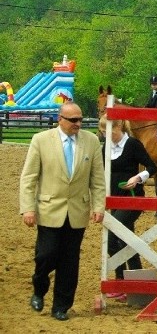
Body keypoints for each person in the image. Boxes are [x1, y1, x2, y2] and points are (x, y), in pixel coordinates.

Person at [20, 102, 106, 321]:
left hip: (77, 210)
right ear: (60, 119)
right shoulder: (40, 140)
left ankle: (61, 306)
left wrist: (98, 206)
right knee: (46, 255)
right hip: (49, 209)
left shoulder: (92, 141)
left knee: (70, 261)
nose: (78, 124)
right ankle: (39, 289)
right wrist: (28, 208)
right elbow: (29, 178)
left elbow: (97, 179)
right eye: (73, 120)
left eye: (80, 119)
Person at [99, 116, 157, 300]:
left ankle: (121, 281)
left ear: (118, 126)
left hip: (132, 198)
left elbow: (152, 166)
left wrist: (138, 178)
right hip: (114, 199)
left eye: (109, 130)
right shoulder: (106, 147)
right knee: (126, 240)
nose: (106, 135)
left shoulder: (132, 144)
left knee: (115, 235)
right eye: (103, 132)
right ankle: (134, 282)